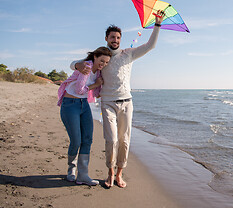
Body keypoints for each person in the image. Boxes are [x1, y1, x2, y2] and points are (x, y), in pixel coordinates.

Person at [70, 11, 165, 188]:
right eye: (112, 37)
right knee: (111, 139)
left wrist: (157, 24)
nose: (115, 40)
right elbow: (73, 63)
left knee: (125, 141)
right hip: (107, 103)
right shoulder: (101, 56)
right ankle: (110, 173)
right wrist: (78, 65)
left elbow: (151, 45)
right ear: (106, 38)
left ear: (121, 39)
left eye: (118, 37)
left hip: (127, 103)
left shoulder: (129, 54)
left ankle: (119, 174)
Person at [58, 46, 112, 186]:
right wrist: (95, 85)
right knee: (76, 140)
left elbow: (97, 93)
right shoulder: (86, 67)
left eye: (106, 63)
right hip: (70, 105)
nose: (103, 65)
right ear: (95, 57)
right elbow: (79, 89)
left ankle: (83, 175)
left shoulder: (98, 73)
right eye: (102, 61)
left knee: (87, 139)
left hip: (84, 105)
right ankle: (71, 170)